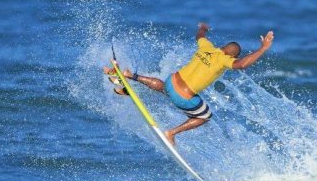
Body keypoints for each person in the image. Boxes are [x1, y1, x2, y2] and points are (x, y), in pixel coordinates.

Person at [103, 23, 274, 145]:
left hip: (171, 81)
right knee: (204, 116)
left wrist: (203, 27)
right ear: (232, 56)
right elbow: (242, 64)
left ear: (222, 46)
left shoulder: (207, 47)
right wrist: (263, 48)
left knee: (164, 87)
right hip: (182, 96)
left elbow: (199, 36)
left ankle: (129, 75)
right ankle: (171, 133)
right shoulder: (224, 60)